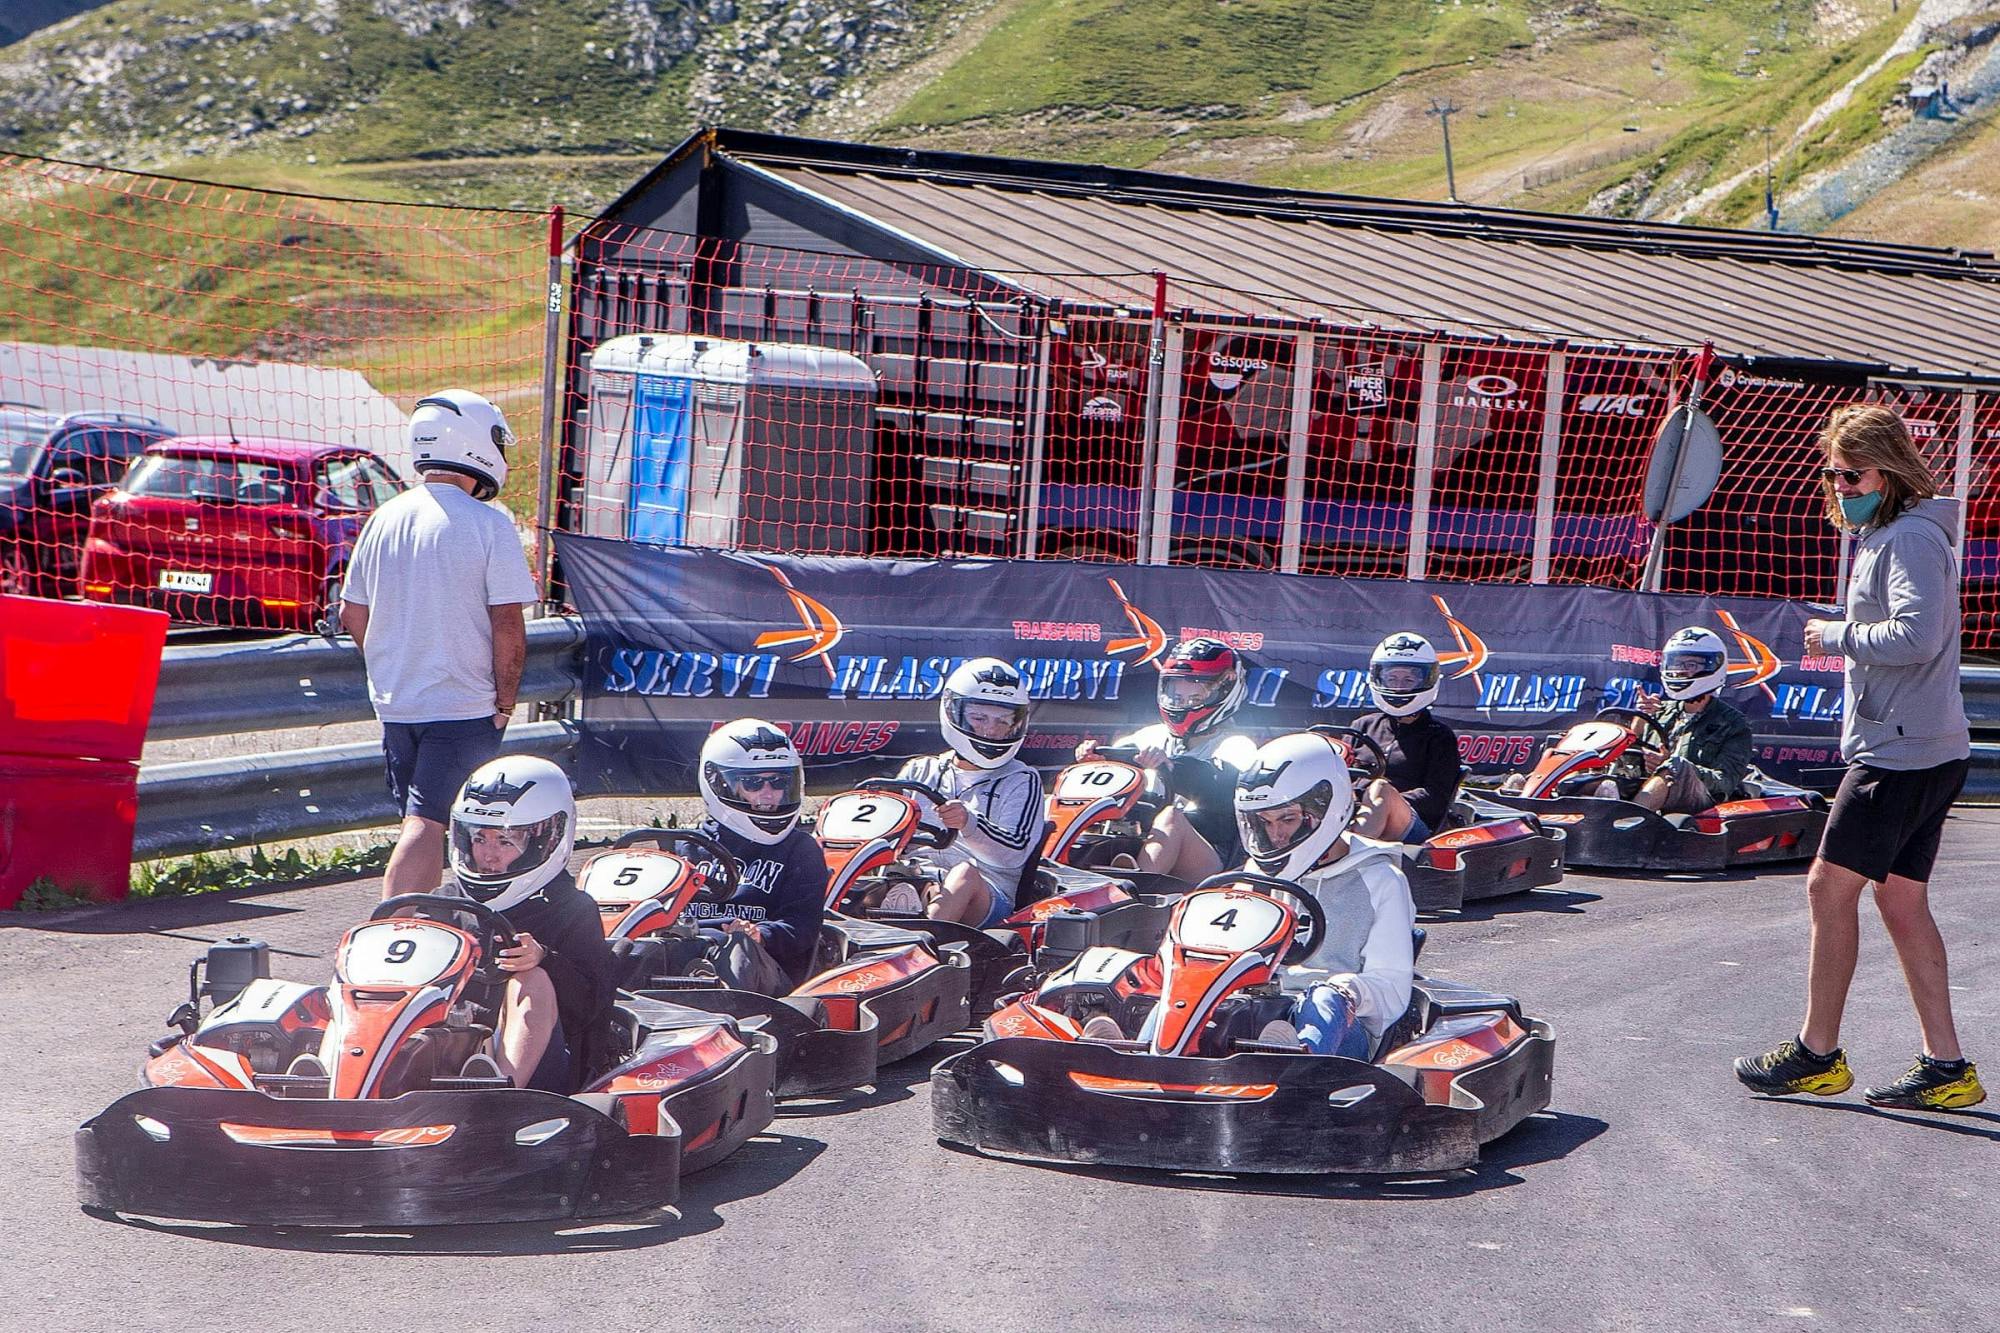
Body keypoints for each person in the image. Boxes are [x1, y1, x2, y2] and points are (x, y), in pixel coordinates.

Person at [1737, 404, 1983, 1111]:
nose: (1841, 486)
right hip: (1920, 744)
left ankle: (1817, 1053)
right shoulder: (1896, 533)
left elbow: (1916, 634)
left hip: (1900, 751)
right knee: (1900, 900)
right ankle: (1948, 1067)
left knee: (1826, 887)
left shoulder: (1906, 539)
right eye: (1834, 474)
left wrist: (1834, 635)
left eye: (1854, 474)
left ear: (1891, 472)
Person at [1103, 731, 1415, 1056]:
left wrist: (1344, 990)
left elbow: (1391, 989)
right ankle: (1140, 1056)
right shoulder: (1253, 874)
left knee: (1323, 1002)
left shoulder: (1380, 879)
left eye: (1288, 819)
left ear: (1326, 807)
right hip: (1256, 1009)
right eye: (1263, 822)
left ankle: (1289, 1067)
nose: (1275, 835)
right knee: (1187, 986)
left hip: (1338, 1025)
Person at [341, 389, 537, 898]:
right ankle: (393, 932)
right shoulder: (490, 525)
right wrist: (505, 702)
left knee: (423, 819)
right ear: (477, 444)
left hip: (398, 702)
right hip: (461, 703)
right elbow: (509, 625)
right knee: (429, 823)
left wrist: (391, 662)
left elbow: (351, 611)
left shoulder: (383, 518)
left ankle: (426, 918)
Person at [445, 756, 614, 1092]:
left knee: (530, 982)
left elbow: (592, 1010)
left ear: (543, 842)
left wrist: (546, 959)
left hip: (543, 1076)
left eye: (505, 841)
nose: (489, 856)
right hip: (448, 1043)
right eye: (480, 839)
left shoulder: (570, 909)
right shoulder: (445, 900)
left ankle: (499, 1093)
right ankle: (331, 1084)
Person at [1076, 637, 1256, 880]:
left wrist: (1168, 766)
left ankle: (1132, 892)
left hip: (1212, 857)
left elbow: (1217, 785)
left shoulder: (1237, 745)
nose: (1182, 704)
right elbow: (1117, 769)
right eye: (1177, 697)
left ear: (1224, 691)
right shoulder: (1149, 736)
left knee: (1172, 817)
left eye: (1193, 699)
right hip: (1145, 841)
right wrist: (1095, 759)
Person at [883, 658, 1043, 926]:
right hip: (916, 877)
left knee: (964, 874)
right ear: (953, 711)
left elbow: (1015, 854)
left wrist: (970, 823)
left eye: (1003, 721)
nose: (991, 729)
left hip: (988, 892)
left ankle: (915, 951)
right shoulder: (920, 770)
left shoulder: (1022, 779)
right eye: (979, 718)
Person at [682, 719, 829, 995]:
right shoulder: (684, 848)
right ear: (719, 783)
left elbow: (803, 927)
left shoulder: (800, 849)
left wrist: (759, 934)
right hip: (686, 957)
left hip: (769, 979)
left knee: (737, 949)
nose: (768, 794)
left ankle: (727, 1025)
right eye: (752, 783)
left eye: (778, 782)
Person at [1348, 632, 1463, 843]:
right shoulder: (1362, 726)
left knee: (1380, 787)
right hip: (1353, 814)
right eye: (1392, 679)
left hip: (1413, 828)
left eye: (1408, 680)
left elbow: (1437, 798)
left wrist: (1382, 801)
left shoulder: (1438, 736)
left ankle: (1349, 861)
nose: (1399, 687)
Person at [1627, 625, 1752, 814]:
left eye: (1691, 665)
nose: (1680, 672)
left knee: (1677, 766)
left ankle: (1628, 821)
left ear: (1713, 666)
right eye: (1677, 664)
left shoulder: (1734, 724)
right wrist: (1641, 719)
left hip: (1702, 805)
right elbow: (1628, 763)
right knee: (1600, 755)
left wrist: (1670, 765)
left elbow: (1724, 783)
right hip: (1649, 793)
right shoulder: (1661, 712)